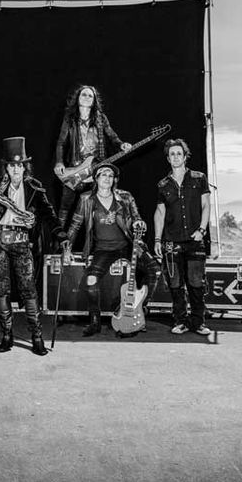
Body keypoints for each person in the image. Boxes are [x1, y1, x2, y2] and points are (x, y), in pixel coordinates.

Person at [0, 136, 66, 355]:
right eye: (12, 165)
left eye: (19, 165)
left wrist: (61, 235)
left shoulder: (34, 187)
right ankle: (6, 335)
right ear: (6, 167)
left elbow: (49, 214)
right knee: (2, 288)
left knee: (28, 289)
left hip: (23, 242)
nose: (16, 169)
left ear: (24, 166)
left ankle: (37, 337)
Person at [63, 163, 160, 336]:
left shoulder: (125, 196)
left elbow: (137, 216)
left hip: (127, 245)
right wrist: (67, 249)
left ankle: (139, 309)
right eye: (103, 174)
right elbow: (75, 226)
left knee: (154, 269)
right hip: (103, 249)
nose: (107, 178)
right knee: (91, 280)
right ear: (96, 179)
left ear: (114, 180)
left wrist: (139, 222)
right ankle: (95, 322)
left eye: (110, 175)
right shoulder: (86, 199)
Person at [153, 139, 213, 336]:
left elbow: (206, 206)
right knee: (175, 285)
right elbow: (160, 213)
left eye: (179, 153)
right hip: (171, 242)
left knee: (196, 283)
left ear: (185, 156)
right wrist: (156, 240)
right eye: (172, 154)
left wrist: (202, 230)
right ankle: (181, 321)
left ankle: (198, 322)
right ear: (168, 159)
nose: (175, 157)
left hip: (195, 240)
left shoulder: (199, 178)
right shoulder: (163, 184)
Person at [53, 84, 132, 227]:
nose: (87, 97)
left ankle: (97, 243)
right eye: (84, 94)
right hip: (76, 170)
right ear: (77, 98)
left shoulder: (101, 118)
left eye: (90, 95)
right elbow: (61, 143)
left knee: (96, 207)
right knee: (65, 208)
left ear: (94, 100)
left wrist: (121, 145)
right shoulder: (70, 119)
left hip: (96, 168)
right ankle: (58, 241)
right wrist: (59, 162)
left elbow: (112, 136)